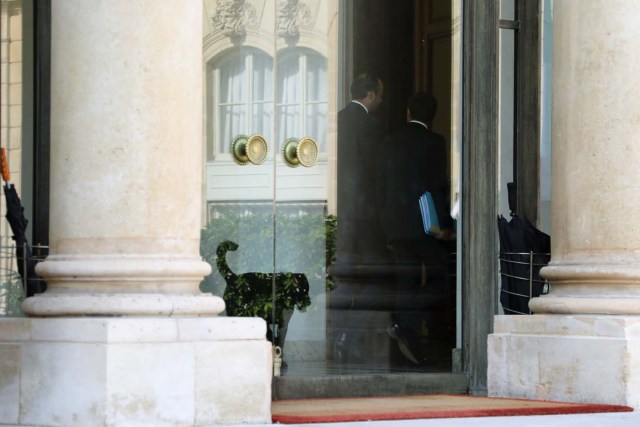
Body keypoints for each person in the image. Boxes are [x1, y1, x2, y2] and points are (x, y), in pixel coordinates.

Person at [382, 92, 454, 365]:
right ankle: (407, 325)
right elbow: (437, 186)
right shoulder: (434, 142)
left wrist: (386, 226)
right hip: (427, 226)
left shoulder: (389, 142)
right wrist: (444, 226)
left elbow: (382, 189)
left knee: (406, 280)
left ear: (408, 112)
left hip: (398, 226)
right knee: (439, 280)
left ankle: (404, 329)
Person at [336, 73, 387, 266]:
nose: (381, 100)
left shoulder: (337, 119)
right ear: (371, 94)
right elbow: (375, 167)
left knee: (346, 263)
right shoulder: (370, 125)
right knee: (372, 264)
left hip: (341, 204)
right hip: (365, 207)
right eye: (380, 95)